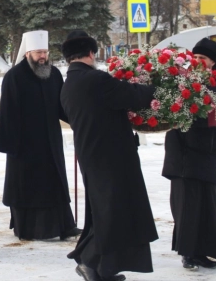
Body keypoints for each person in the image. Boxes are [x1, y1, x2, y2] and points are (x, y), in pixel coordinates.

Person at [60, 30, 158, 281]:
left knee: (105, 212)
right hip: (111, 157)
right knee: (112, 213)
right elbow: (134, 97)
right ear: (91, 53)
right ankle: (90, 262)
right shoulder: (96, 80)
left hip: (92, 156)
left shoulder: (68, 84)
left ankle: (103, 268)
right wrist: (156, 85)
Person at [0, 30, 81, 241]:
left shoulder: (54, 74)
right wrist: (11, 145)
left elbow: (63, 106)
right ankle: (30, 229)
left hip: (51, 141)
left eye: (45, 52)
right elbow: (8, 113)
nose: (43, 56)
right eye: (38, 52)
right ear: (27, 53)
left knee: (54, 182)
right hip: (25, 145)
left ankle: (64, 226)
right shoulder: (14, 77)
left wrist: (79, 120)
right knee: (29, 187)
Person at [162, 38, 216, 270]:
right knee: (187, 206)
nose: (199, 62)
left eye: (204, 58)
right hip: (182, 154)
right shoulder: (179, 82)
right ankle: (188, 253)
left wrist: (193, 112)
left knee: (206, 206)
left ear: (213, 62)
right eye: (196, 58)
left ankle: (203, 251)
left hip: (207, 154)